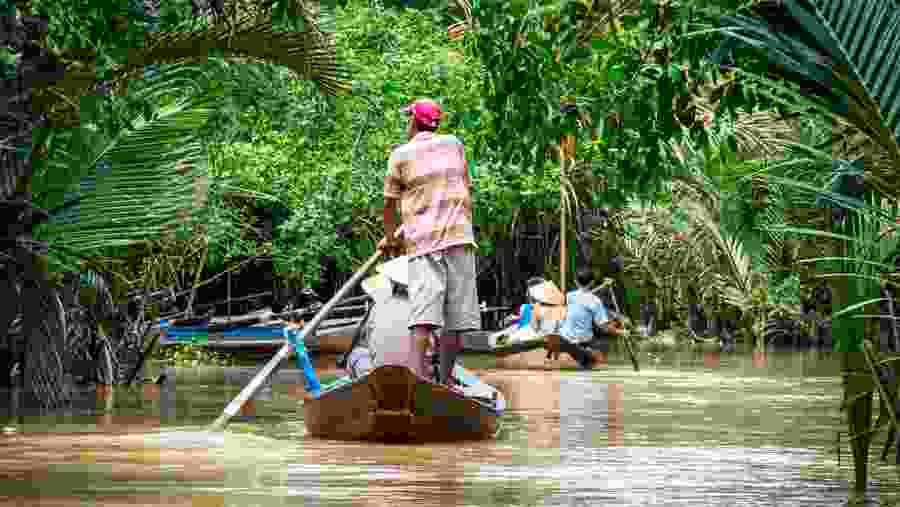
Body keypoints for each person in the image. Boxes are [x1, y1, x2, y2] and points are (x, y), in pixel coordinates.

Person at [377, 98, 480, 386]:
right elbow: (462, 189)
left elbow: (388, 205)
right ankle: (444, 380)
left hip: (424, 244)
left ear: (413, 122)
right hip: (460, 238)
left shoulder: (401, 154)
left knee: (423, 318)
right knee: (455, 320)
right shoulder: (454, 145)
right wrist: (397, 234)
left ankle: (418, 381)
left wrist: (389, 239)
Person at [557, 268, 627, 368]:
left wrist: (603, 286)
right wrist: (621, 332)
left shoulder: (569, 296)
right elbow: (604, 327)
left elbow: (583, 296)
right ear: (592, 282)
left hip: (565, 338)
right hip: (582, 341)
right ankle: (588, 356)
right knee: (600, 357)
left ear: (575, 281)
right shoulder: (595, 301)